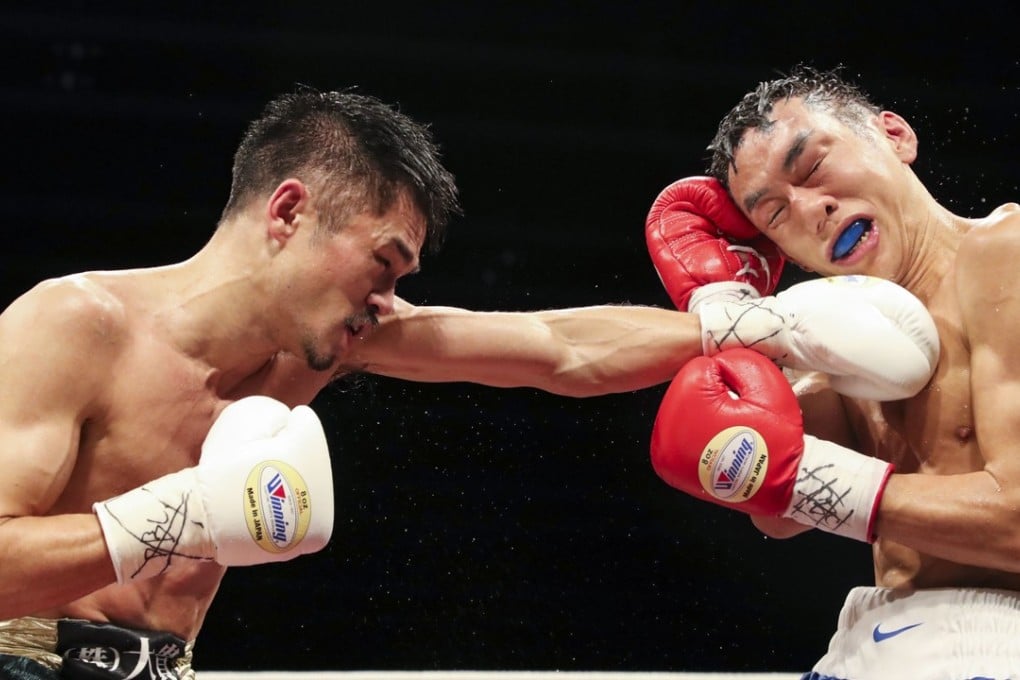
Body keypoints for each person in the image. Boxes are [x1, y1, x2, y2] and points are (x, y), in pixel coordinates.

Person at [0, 84, 936, 680]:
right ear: (289, 211)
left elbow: (552, 349)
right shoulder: (74, 325)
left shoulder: (326, 344)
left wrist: (752, 324)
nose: (391, 295)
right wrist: (180, 516)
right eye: (384, 260)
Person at [646, 65, 1020, 679]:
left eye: (813, 167)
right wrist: (724, 306)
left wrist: (812, 478)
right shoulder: (843, 347)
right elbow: (774, 509)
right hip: (868, 641)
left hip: (989, 641)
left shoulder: (1001, 252)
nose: (810, 210)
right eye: (773, 215)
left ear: (895, 136)